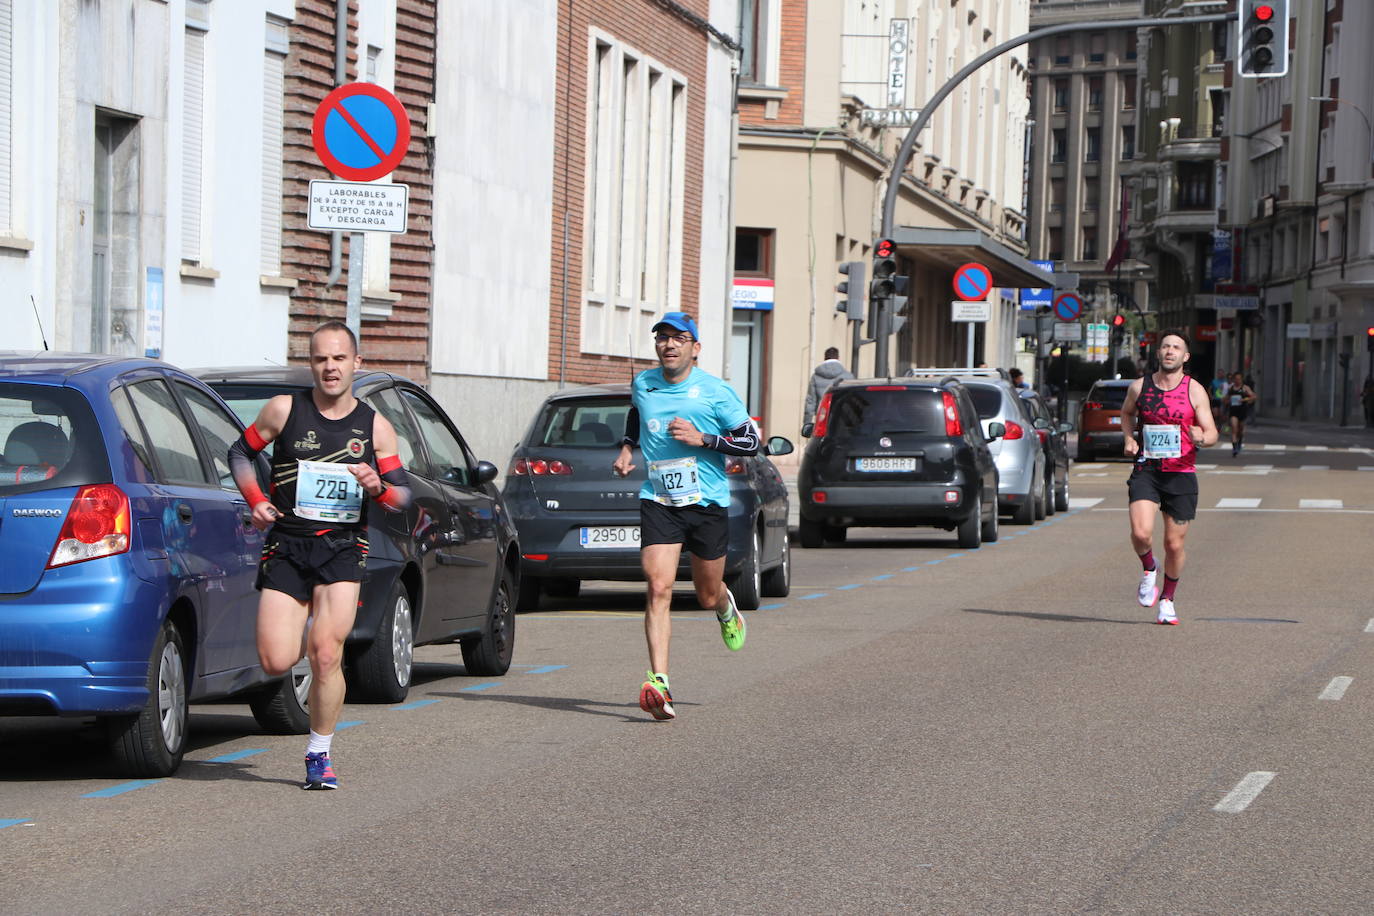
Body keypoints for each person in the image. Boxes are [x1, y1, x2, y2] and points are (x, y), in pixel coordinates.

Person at [228, 321, 411, 788]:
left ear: (356, 363)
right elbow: (239, 454)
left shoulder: (375, 427)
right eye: (320, 359)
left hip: (342, 549)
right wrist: (255, 501)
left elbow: (403, 497)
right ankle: (302, 622)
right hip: (286, 547)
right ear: (310, 364)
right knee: (276, 661)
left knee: (327, 653)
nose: (330, 368)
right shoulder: (284, 410)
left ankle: (318, 753)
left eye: (338, 358)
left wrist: (379, 487)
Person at [612, 311, 759, 720]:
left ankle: (725, 605)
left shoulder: (715, 391)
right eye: (662, 338)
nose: (668, 345)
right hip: (659, 499)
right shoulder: (643, 382)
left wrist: (703, 439)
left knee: (705, 594)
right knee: (658, 586)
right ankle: (660, 683)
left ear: (695, 348)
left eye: (678, 338)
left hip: (707, 503)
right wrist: (628, 448)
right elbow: (638, 413)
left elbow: (750, 441)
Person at [1119, 330, 1218, 625]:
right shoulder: (1140, 387)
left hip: (1181, 473)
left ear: (1185, 356)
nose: (1170, 351)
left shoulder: (1195, 390)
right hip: (1147, 470)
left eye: (1176, 347)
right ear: (1158, 353)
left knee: (1174, 545)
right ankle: (1149, 568)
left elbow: (1212, 432)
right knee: (1140, 533)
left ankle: (1168, 600)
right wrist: (1128, 438)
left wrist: (1203, 437)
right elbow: (1126, 414)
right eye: (1165, 346)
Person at [803, 347, 852, 434]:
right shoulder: (848, 376)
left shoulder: (816, 377)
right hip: (842, 421)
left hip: (822, 420)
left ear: (825, 357)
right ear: (838, 357)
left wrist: (807, 424)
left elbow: (810, 402)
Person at [1224, 371, 1257, 456]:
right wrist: (1227, 400)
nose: (1237, 381)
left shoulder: (1245, 388)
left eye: (1239, 379)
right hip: (1233, 411)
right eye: (1236, 379)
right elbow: (1225, 399)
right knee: (1234, 429)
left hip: (1242, 411)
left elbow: (1253, 396)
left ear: (1241, 380)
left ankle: (1240, 441)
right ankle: (1234, 448)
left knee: (1241, 430)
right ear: (1233, 379)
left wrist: (1244, 400)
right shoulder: (1231, 388)